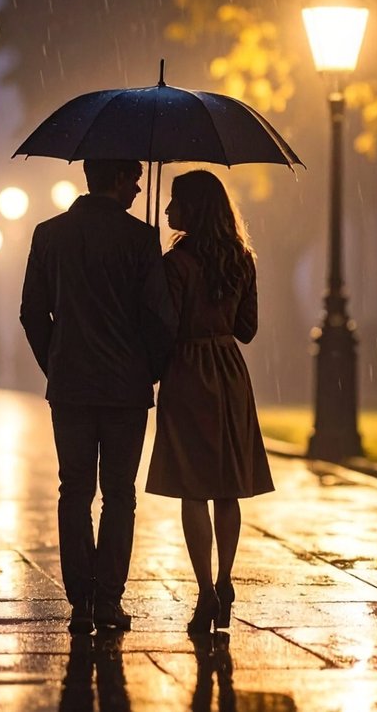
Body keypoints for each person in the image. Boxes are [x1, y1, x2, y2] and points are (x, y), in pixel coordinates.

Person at [21, 159, 175, 635]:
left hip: (71, 386)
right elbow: (159, 318)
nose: (138, 187)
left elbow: (31, 313)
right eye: (133, 178)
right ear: (115, 178)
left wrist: (58, 362)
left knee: (74, 491)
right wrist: (148, 368)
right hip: (126, 388)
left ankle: (80, 600)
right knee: (119, 496)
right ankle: (108, 599)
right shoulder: (142, 240)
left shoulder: (49, 234)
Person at [144, 170, 271, 634]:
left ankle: (205, 591)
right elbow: (248, 329)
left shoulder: (175, 264)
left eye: (175, 200)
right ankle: (226, 576)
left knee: (192, 488)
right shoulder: (241, 259)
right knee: (226, 485)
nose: (167, 208)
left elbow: (166, 326)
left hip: (188, 373)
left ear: (193, 208)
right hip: (229, 372)